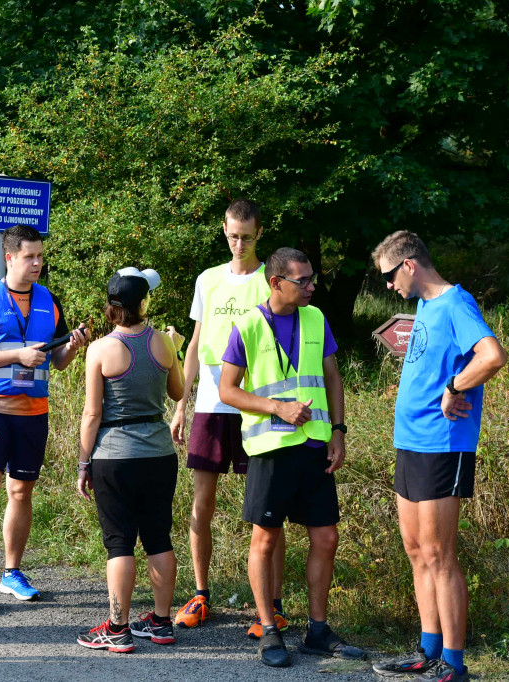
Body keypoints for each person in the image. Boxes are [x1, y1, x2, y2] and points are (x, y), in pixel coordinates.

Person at [370, 232, 506, 682]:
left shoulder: (456, 303)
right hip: (410, 442)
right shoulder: (426, 306)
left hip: (443, 446)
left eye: (390, 277)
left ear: (409, 265)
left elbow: (492, 355)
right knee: (415, 550)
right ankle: (427, 652)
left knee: (438, 553)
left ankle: (453, 664)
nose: (389, 286)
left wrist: (454, 387)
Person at [219, 247, 365, 668]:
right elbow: (229, 390)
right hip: (269, 452)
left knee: (326, 537)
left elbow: (333, 377)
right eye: (302, 281)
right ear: (276, 282)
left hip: (316, 446)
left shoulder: (316, 318)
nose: (311, 287)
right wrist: (276, 407)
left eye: (312, 278)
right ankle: (269, 629)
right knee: (265, 539)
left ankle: (318, 631)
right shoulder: (246, 325)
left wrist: (338, 431)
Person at [170, 199, 288, 636]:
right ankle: (201, 595)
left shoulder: (269, 280)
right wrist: (181, 401)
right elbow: (198, 339)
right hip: (210, 405)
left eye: (247, 236)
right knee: (203, 503)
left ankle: (272, 606)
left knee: (268, 510)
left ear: (260, 234)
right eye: (233, 235)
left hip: (258, 405)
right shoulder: (208, 279)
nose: (239, 244)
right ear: (223, 229)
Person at [0, 225, 87, 613]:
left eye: (41, 256)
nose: (37, 264)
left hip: (34, 413)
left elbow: (58, 362)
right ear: (9, 257)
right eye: (30, 257)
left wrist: (73, 348)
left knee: (21, 492)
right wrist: (16, 356)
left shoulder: (49, 299)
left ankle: (11, 572)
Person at [74, 268, 184, 653]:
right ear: (144, 304)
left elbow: (92, 414)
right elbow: (178, 392)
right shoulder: (164, 345)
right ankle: (161, 621)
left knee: (119, 543)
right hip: (158, 453)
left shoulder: (100, 350)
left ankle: (117, 627)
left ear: (110, 307)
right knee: (158, 536)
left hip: (114, 456)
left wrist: (83, 463)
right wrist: (176, 348)